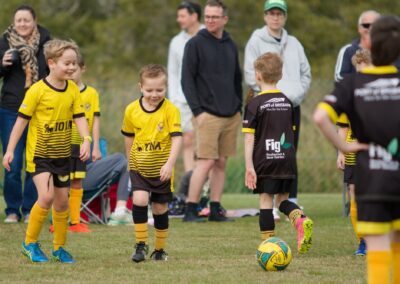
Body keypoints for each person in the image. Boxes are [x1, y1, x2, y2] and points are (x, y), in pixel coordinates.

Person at [314, 15, 400, 284]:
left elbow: (319, 117)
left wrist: (344, 145)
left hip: (371, 178)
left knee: (376, 248)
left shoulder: (352, 83)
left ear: (367, 43)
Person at [2, 39, 91, 263]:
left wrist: (86, 140)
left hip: (62, 154)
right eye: (67, 63)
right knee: (47, 196)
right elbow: (21, 122)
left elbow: (79, 117)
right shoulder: (36, 91)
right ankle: (29, 243)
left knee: (62, 202)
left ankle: (59, 248)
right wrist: (10, 150)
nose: (72, 68)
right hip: (40, 154)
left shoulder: (72, 89)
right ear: (51, 63)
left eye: (74, 64)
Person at [244, 0, 311, 218]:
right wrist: (268, 97)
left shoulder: (294, 43)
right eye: (272, 13)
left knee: (288, 152)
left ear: (285, 17)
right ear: (265, 16)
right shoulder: (255, 41)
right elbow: (249, 73)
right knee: (267, 152)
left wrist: (292, 98)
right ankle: (271, 204)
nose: (276, 18)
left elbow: (305, 74)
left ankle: (291, 201)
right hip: (265, 107)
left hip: (291, 106)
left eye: (280, 14)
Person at [243, 52, 313, 253]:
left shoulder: (255, 104)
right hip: (287, 159)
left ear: (257, 75)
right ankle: (300, 219)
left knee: (266, 200)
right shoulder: (287, 102)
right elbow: (290, 133)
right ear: (281, 75)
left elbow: (249, 138)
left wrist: (249, 166)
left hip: (266, 159)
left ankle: (269, 246)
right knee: (283, 201)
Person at [181, 0, 242, 222]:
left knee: (221, 163)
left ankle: (215, 208)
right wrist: (198, 112)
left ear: (224, 19)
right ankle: (190, 208)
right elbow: (186, 80)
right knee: (205, 162)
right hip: (206, 114)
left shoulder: (230, 44)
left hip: (231, 114)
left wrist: (239, 107)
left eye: (215, 17)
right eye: (207, 16)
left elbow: (237, 78)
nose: (210, 20)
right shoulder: (195, 44)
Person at [121, 64, 182, 262]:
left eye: (159, 90)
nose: (154, 94)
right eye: (149, 90)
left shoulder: (171, 110)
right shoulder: (131, 110)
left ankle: (159, 250)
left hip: (162, 170)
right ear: (140, 87)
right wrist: (130, 161)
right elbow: (129, 137)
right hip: (139, 167)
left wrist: (169, 164)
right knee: (139, 200)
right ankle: (140, 245)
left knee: (159, 209)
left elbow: (177, 139)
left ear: (166, 88)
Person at [0, 5, 51, 223]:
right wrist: (2, 64)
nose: (22, 24)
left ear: (34, 21)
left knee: (35, 162)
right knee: (13, 162)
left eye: (26, 20)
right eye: (18, 20)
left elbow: (53, 73)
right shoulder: (4, 41)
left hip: (39, 110)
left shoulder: (47, 43)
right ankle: (12, 209)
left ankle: (31, 207)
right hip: (11, 108)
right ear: (14, 22)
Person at [336, 48, 372, 256]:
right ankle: (362, 242)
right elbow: (343, 127)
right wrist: (341, 152)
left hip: (376, 152)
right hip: (352, 153)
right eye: (359, 71)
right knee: (355, 196)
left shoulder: (383, 92)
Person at [168, 1, 204, 172]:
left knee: (203, 142)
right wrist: (173, 99)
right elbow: (173, 72)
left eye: (182, 16)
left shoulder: (208, 36)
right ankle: (191, 183)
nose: (178, 19)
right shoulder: (176, 42)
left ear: (194, 16)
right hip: (182, 100)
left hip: (205, 100)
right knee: (187, 139)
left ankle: (205, 187)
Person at [67, 52, 101, 233]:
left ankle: (74, 222)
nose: (71, 71)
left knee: (76, 182)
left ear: (82, 69)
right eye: (68, 66)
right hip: (62, 143)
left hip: (82, 145)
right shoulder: (63, 91)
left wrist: (95, 145)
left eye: (75, 68)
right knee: (60, 184)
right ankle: (58, 220)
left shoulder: (92, 93)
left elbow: (95, 120)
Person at [334, 10, 380, 82]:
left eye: (374, 25)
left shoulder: (391, 51)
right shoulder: (348, 50)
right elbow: (339, 77)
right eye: (366, 25)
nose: (370, 28)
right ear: (359, 28)